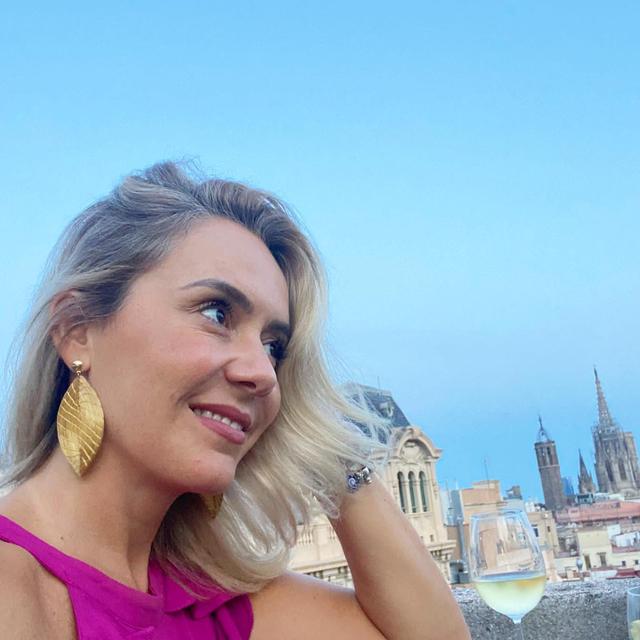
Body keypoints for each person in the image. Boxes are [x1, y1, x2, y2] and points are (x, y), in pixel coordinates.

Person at [0, 162, 470, 640]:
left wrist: (327, 453)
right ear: (77, 330)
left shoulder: (205, 598)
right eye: (216, 313)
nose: (263, 373)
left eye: (274, 346)